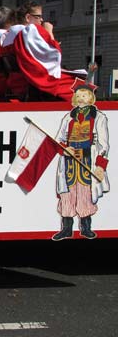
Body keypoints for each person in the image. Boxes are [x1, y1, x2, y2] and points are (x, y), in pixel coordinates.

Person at [52, 80, 109, 241]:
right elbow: (59, 139)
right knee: (67, 196)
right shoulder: (68, 118)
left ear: (91, 98)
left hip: (86, 160)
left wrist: (100, 166)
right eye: (79, 96)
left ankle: (86, 227)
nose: (81, 98)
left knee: (85, 194)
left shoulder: (98, 117)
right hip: (69, 162)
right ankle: (66, 228)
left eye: (84, 95)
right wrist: (65, 148)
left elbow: (103, 144)